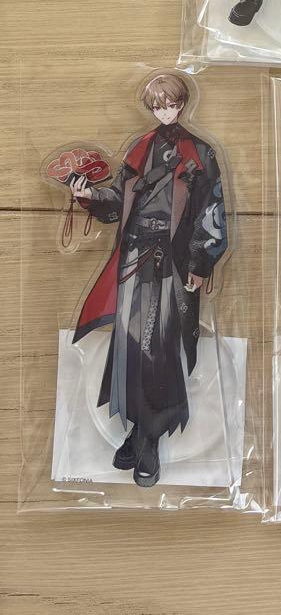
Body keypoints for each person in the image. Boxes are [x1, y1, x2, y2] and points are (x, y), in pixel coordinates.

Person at [71, 73, 229, 487]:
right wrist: (89, 196)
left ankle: (149, 440)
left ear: (182, 104)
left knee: (158, 350)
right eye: (158, 106)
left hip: (172, 264)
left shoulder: (200, 153)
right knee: (129, 348)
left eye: (170, 104)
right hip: (134, 257)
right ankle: (137, 430)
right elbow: (118, 201)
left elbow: (212, 212)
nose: (165, 112)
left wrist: (201, 262)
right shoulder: (140, 148)